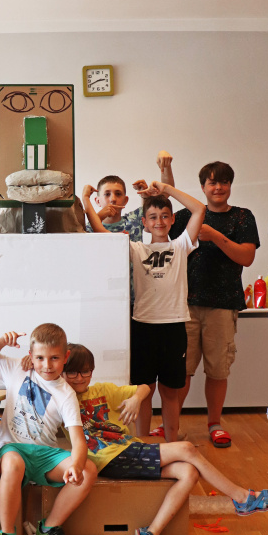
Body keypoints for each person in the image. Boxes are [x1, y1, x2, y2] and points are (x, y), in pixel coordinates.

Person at [62, 343, 268, 535]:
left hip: (128, 450)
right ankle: (242, 497)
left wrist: (136, 399)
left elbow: (144, 387)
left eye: (85, 371)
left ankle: (150, 534)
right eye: (72, 372)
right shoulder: (62, 399)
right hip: (109, 458)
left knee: (189, 472)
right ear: (61, 373)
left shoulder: (102, 390)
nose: (79, 378)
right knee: (187, 448)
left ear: (92, 371)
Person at [83, 180, 205, 442]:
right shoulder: (136, 248)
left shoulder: (181, 245)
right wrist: (85, 201)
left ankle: (172, 444)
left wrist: (166, 190)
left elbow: (199, 209)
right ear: (145, 223)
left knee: (170, 391)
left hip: (174, 328)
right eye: (153, 217)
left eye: (164, 216)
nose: (159, 221)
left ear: (172, 219)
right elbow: (98, 229)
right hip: (143, 328)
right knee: (143, 391)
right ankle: (143, 444)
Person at [0, 323, 97, 535]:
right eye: (40, 358)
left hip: (44, 455)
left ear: (65, 357)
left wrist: (76, 466)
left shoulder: (66, 394)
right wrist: (2, 341)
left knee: (88, 470)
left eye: (54, 358)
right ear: (31, 356)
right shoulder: (17, 368)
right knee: (13, 463)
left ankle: (48, 530)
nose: (47, 365)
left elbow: (78, 441)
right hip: (12, 448)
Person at [169, 161, 260, 448]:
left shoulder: (243, 217)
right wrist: (165, 171)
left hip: (223, 305)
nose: (218, 187)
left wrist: (215, 236)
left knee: (218, 371)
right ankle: (172, 426)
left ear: (230, 185)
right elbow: (164, 213)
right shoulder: (188, 216)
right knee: (181, 371)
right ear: (203, 187)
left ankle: (214, 424)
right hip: (184, 305)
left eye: (224, 182)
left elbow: (246, 257)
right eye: (212, 182)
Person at [84, 150, 175, 239]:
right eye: (107, 194)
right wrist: (99, 216)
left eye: (118, 194)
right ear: (97, 201)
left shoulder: (134, 220)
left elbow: (166, 192)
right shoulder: (88, 228)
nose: (113, 199)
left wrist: (165, 165)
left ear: (125, 200)